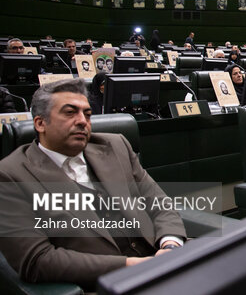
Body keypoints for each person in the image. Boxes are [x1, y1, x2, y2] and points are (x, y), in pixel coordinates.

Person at [0, 79, 185, 289]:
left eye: (87, 114)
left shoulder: (115, 145)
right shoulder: (10, 175)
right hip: (105, 285)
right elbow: (37, 260)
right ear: (40, 123)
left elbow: (159, 204)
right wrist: (130, 265)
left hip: (162, 264)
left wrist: (170, 246)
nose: (82, 121)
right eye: (70, 113)